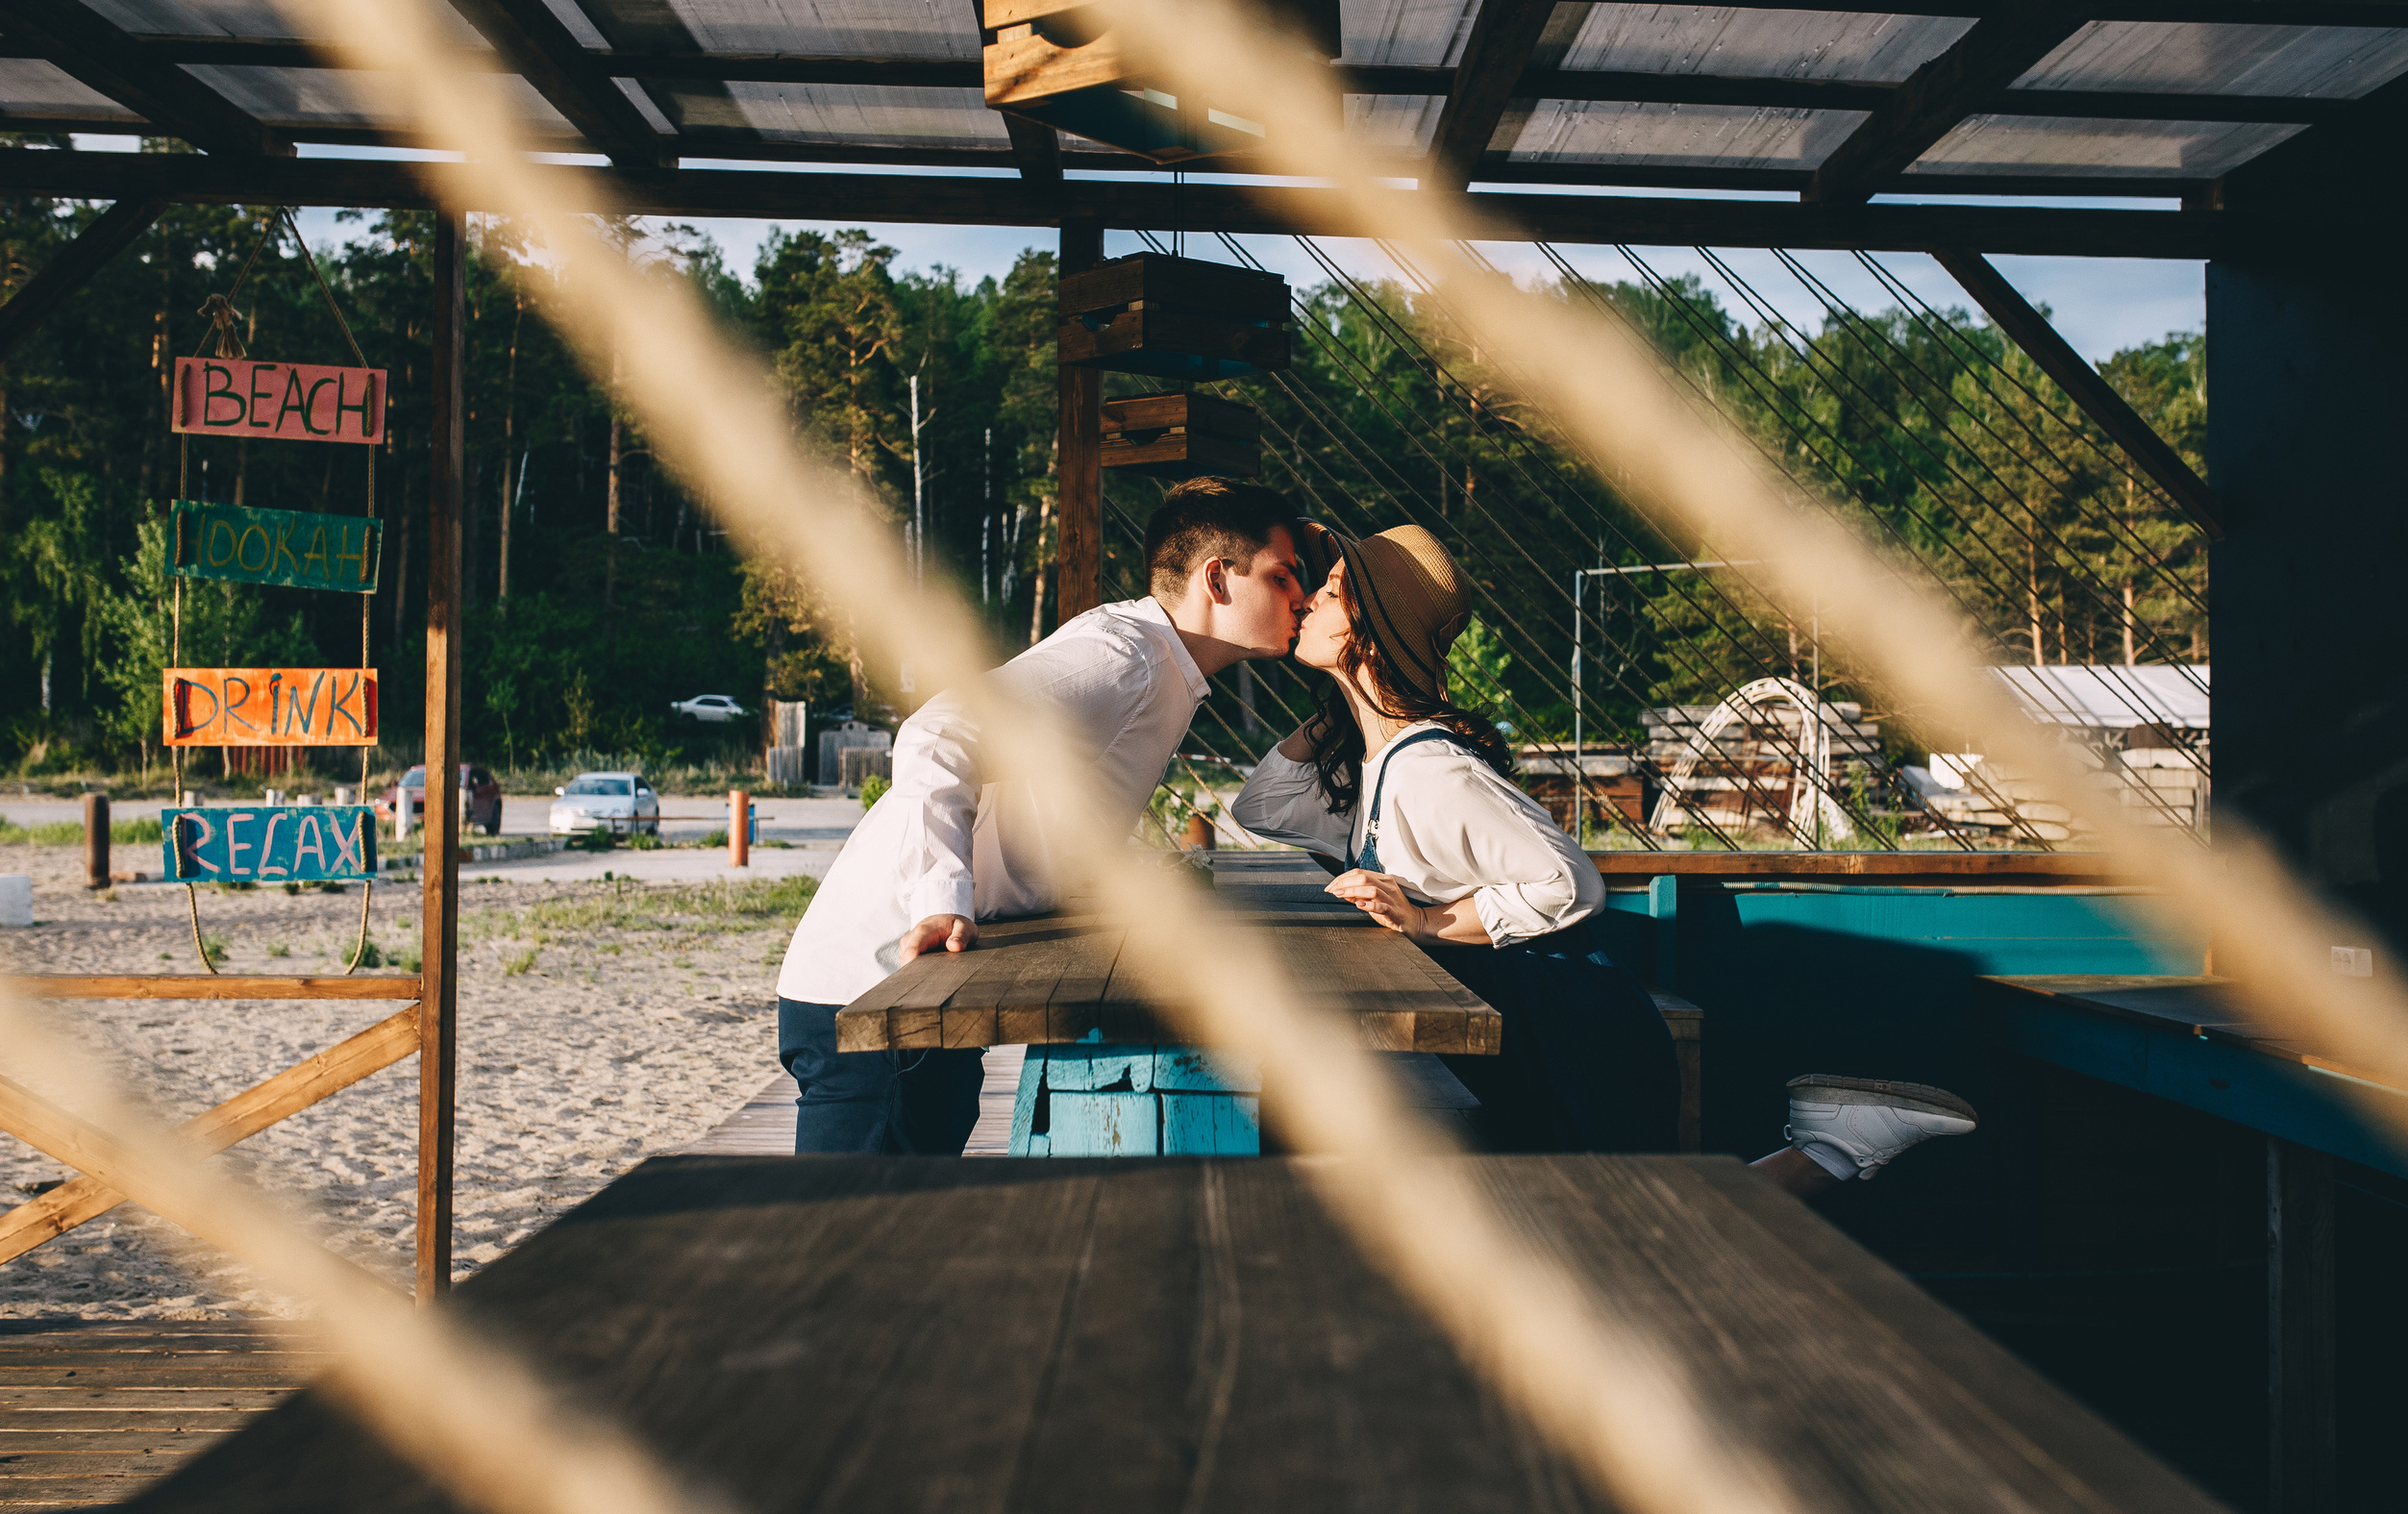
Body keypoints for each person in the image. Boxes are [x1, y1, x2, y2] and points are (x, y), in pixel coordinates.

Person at [1231, 521, 1975, 1190]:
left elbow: (1569, 882)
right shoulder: (1386, 759)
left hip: (1570, 1032)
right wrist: (1350, 698)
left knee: (1634, 1234)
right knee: (1621, 1236)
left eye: (1326, 591)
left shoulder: (1431, 773)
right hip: (1533, 1029)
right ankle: (1834, 1144)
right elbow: (1262, 804)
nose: (1303, 601)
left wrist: (1427, 921)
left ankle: (1833, 1145)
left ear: (1369, 627)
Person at [775, 477, 1310, 1153]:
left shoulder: (1161, 667)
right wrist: (941, 897)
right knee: (850, 1246)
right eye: (1284, 575)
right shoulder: (1125, 656)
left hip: (935, 983)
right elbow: (938, 731)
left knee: (904, 1238)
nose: (1303, 595)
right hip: (876, 982)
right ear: (1217, 578)